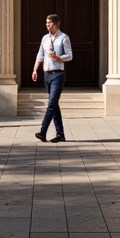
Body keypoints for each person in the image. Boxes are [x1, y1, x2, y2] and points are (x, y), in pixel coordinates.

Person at [30, 13, 72, 142]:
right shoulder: (45, 38)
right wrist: (35, 69)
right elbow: (40, 55)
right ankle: (60, 135)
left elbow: (70, 55)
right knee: (54, 105)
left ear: (57, 24)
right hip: (47, 75)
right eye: (46, 23)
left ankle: (43, 132)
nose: (47, 25)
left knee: (51, 104)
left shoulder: (64, 38)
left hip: (58, 74)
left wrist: (59, 58)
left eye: (50, 23)